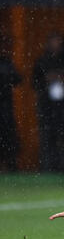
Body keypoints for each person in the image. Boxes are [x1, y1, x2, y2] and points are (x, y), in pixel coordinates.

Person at [32, 33, 64, 172]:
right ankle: (48, 167)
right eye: (53, 41)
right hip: (46, 105)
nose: (55, 45)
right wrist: (46, 79)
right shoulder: (42, 61)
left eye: (58, 42)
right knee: (47, 136)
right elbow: (34, 81)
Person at [0, 34, 22, 172]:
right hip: (5, 106)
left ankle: (11, 164)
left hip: (5, 106)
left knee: (8, 135)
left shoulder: (7, 63)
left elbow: (18, 79)